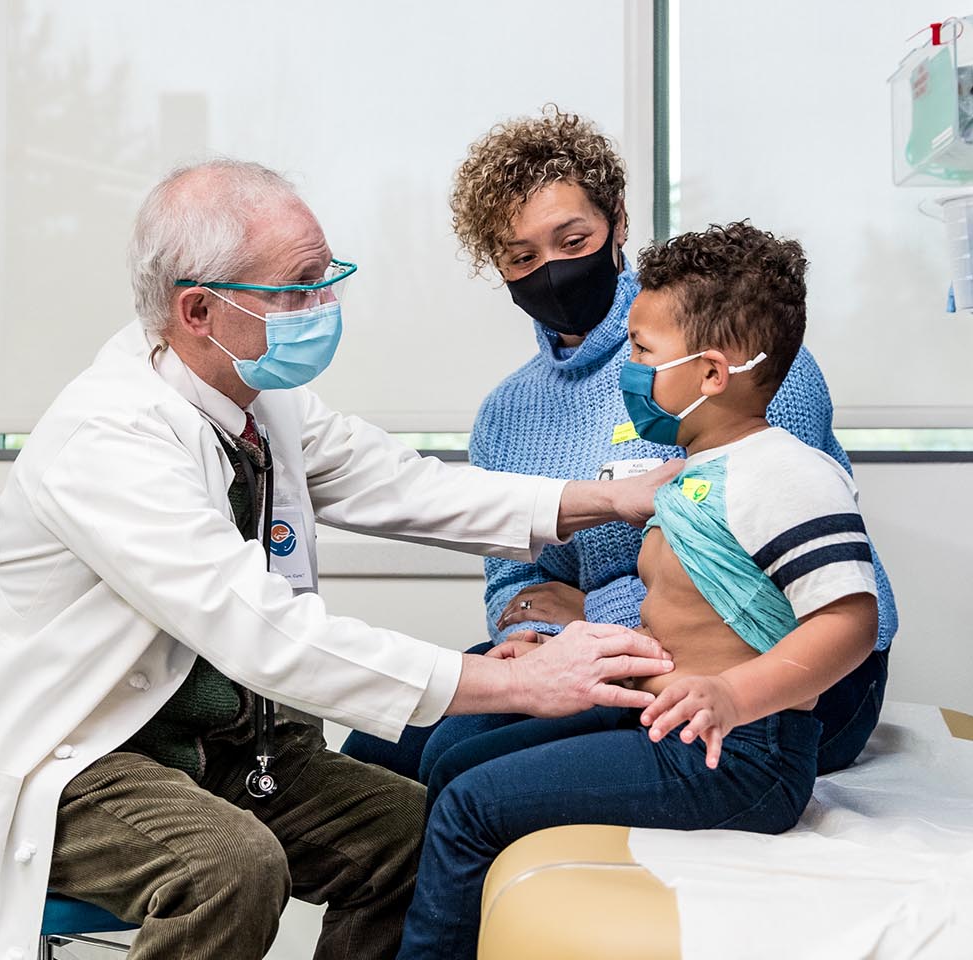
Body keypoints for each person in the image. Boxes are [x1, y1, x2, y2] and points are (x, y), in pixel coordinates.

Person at [0, 159, 683, 960]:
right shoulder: (107, 440)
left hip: (219, 743)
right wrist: (517, 683)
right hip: (74, 751)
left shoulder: (258, 400)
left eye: (327, 277)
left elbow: (403, 486)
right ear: (198, 309)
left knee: (413, 837)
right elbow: (262, 631)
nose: (324, 304)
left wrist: (610, 498)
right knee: (229, 869)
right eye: (299, 287)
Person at [341, 107, 897, 786]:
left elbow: (750, 580)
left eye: (571, 239)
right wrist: (530, 640)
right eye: (521, 257)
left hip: (769, 671)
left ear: (618, 224)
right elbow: (518, 584)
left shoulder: (722, 356)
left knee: (454, 753)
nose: (549, 270)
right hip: (612, 651)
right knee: (379, 746)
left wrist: (589, 614)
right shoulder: (504, 413)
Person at [395, 222, 884, 959]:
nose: (626, 366)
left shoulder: (784, 474)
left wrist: (735, 695)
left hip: (742, 754)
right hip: (669, 724)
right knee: (455, 761)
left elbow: (851, 619)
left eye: (644, 353)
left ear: (713, 374)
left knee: (469, 804)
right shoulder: (691, 473)